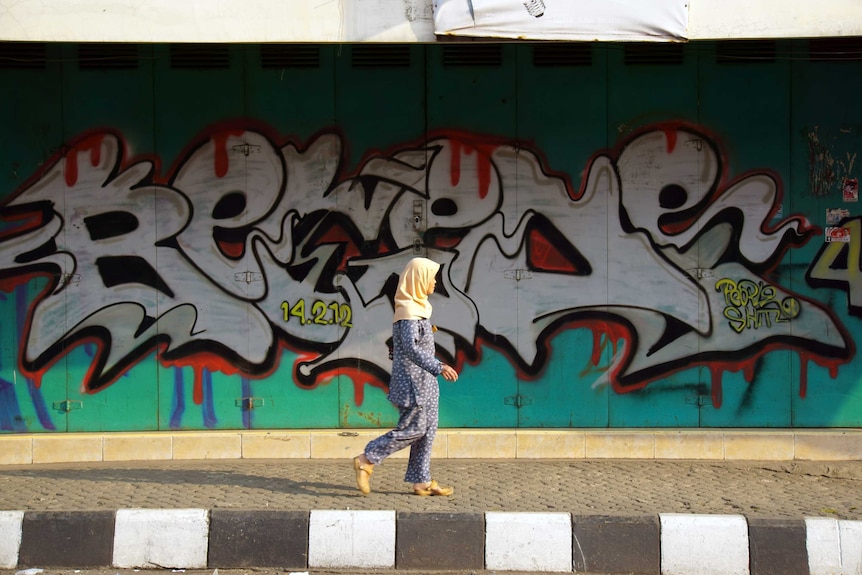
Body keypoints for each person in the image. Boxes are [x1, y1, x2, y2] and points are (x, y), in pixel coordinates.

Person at [352, 257, 459, 496]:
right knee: (414, 428)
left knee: (429, 429)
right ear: (418, 280)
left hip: (426, 381)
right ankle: (367, 458)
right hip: (413, 382)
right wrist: (438, 365)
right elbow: (410, 348)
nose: (434, 283)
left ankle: (421, 480)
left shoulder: (420, 308)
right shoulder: (408, 312)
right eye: (431, 278)